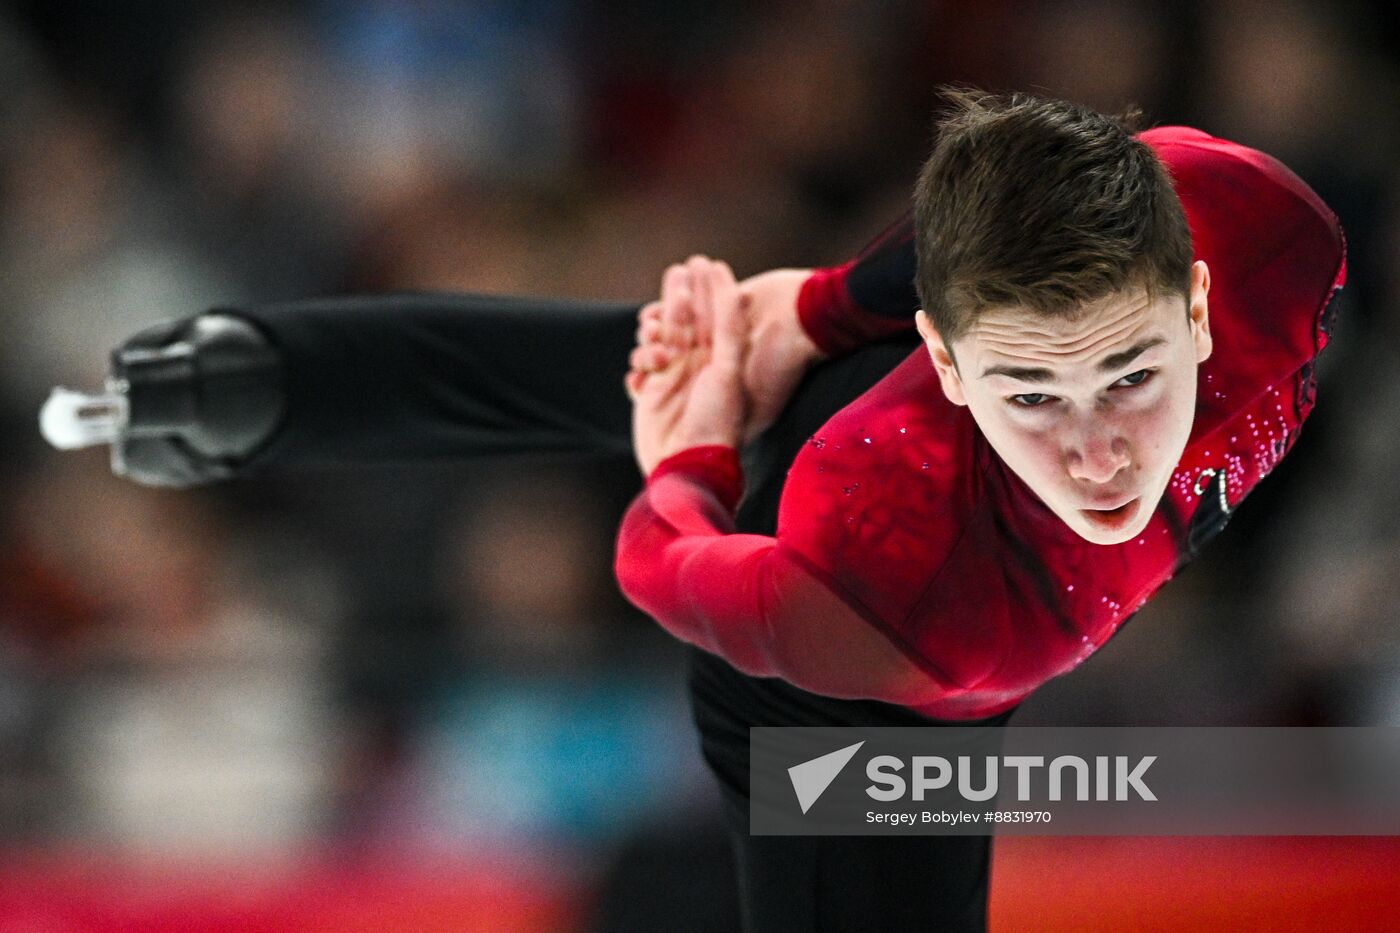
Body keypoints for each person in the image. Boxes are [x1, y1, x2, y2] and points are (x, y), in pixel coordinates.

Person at [81, 90, 1344, 931]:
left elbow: (998, 212)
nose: (1096, 453)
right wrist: (681, 451)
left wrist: (805, 307)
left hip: (897, 457)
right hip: (823, 664)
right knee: (659, 391)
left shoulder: (1258, 222)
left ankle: (243, 379)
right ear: (951, 365)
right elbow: (659, 567)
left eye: (1130, 378)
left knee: (654, 353)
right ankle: (226, 382)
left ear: (1193, 301)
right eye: (1033, 395)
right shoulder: (911, 590)